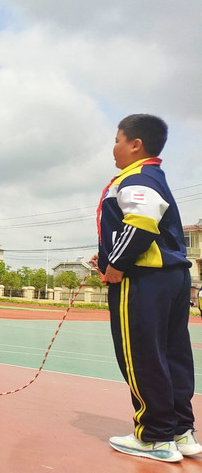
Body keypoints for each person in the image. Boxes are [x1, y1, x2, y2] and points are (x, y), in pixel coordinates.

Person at [89, 114, 201, 462]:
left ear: (135, 144)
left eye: (117, 140)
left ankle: (154, 435)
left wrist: (116, 264)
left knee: (142, 355)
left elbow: (140, 223)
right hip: (173, 277)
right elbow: (146, 225)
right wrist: (108, 251)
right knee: (172, 353)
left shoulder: (137, 177)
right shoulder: (156, 177)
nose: (114, 148)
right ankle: (181, 431)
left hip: (145, 281)